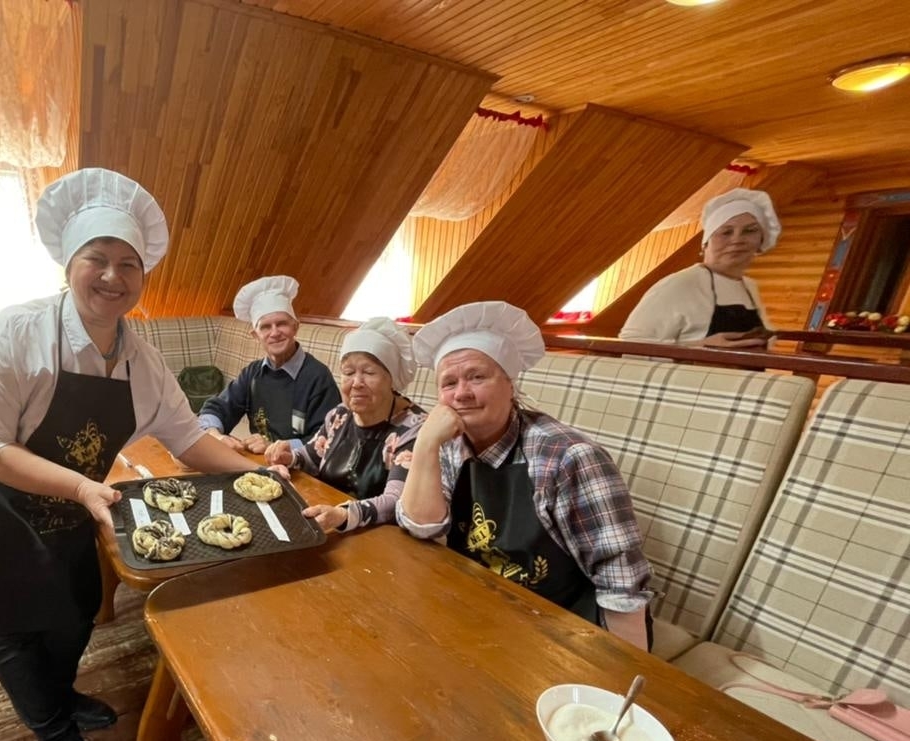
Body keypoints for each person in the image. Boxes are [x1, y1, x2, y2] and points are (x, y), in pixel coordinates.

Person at [0, 168, 270, 741]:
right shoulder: (13, 335)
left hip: (69, 497)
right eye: (97, 259)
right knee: (13, 626)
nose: (113, 276)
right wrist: (81, 490)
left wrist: (254, 474)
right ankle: (55, 734)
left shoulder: (142, 358)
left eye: (128, 263)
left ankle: (61, 694)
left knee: (74, 607)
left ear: (143, 275)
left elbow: (189, 440)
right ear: (68, 265)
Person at [397, 302, 653, 651]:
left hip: (565, 629)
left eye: (477, 376)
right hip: (483, 611)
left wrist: (623, 670)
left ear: (510, 384)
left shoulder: (569, 458)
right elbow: (422, 527)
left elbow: (622, 585)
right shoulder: (448, 444)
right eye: (449, 383)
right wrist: (426, 443)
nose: (462, 393)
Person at [265, 317, 426, 533]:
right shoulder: (339, 414)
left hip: (380, 537)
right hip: (329, 523)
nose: (356, 383)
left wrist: (344, 515)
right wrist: (290, 458)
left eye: (369, 372)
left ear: (392, 380)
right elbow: (313, 455)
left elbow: (395, 501)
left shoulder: (414, 429)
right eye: (348, 373)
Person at [619, 188, 780, 348]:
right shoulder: (680, 284)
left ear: (761, 241)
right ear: (706, 243)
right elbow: (631, 344)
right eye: (726, 232)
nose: (737, 240)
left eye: (750, 231)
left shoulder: (749, 286)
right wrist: (699, 347)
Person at [198, 275, 341, 456]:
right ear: (255, 335)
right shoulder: (252, 373)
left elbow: (330, 438)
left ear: (295, 327)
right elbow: (217, 409)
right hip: (259, 464)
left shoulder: (318, 377)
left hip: (302, 468)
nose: (274, 333)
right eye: (265, 327)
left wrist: (275, 446)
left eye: (281, 324)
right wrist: (214, 435)